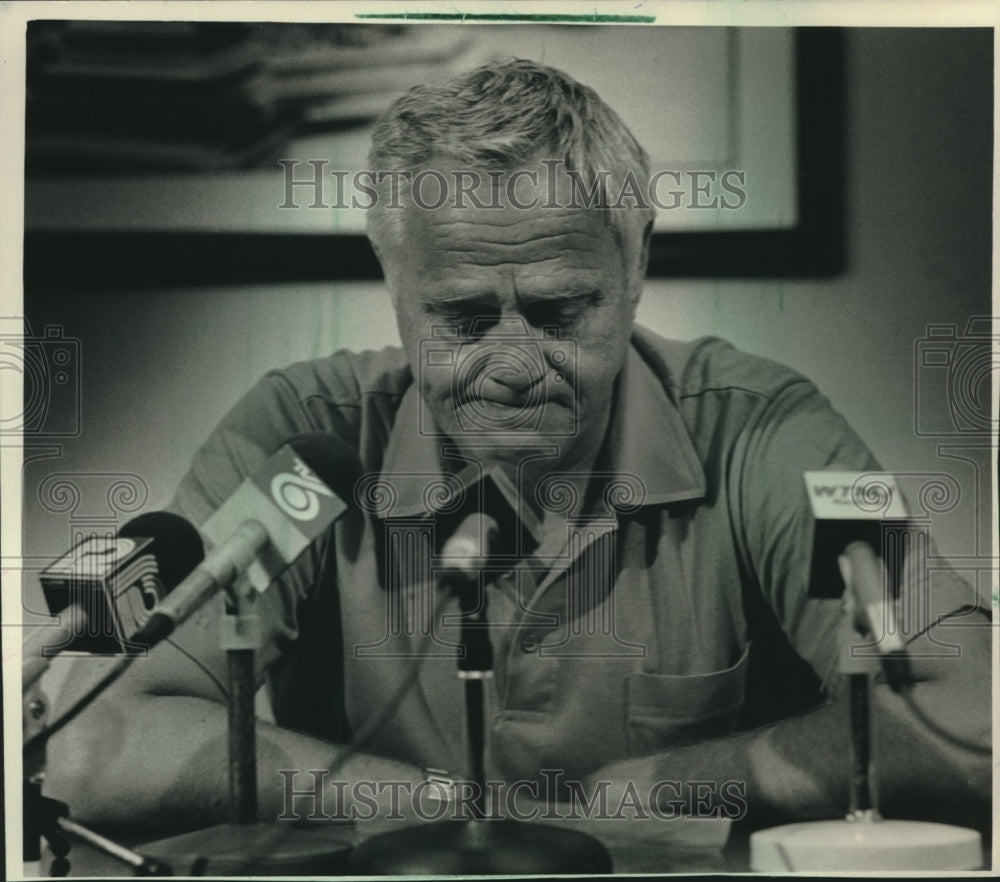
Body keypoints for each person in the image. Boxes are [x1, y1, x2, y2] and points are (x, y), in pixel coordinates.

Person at [45, 59, 990, 836]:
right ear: (390, 276)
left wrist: (590, 812)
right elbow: (97, 747)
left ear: (637, 264)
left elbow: (974, 718)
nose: (512, 363)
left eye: (557, 310)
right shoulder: (302, 438)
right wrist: (452, 814)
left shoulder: (768, 431)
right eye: (461, 315)